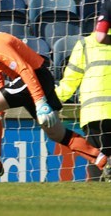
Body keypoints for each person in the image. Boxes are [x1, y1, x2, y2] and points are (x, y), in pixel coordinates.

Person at [0, 12, 108, 180]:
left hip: (34, 77)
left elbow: (25, 69)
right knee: (56, 134)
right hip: (31, 80)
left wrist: (39, 101)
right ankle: (103, 161)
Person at [55, 30, 111, 181]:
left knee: (97, 164)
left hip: (95, 113)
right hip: (97, 113)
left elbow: (67, 86)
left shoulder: (86, 44)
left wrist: (44, 97)